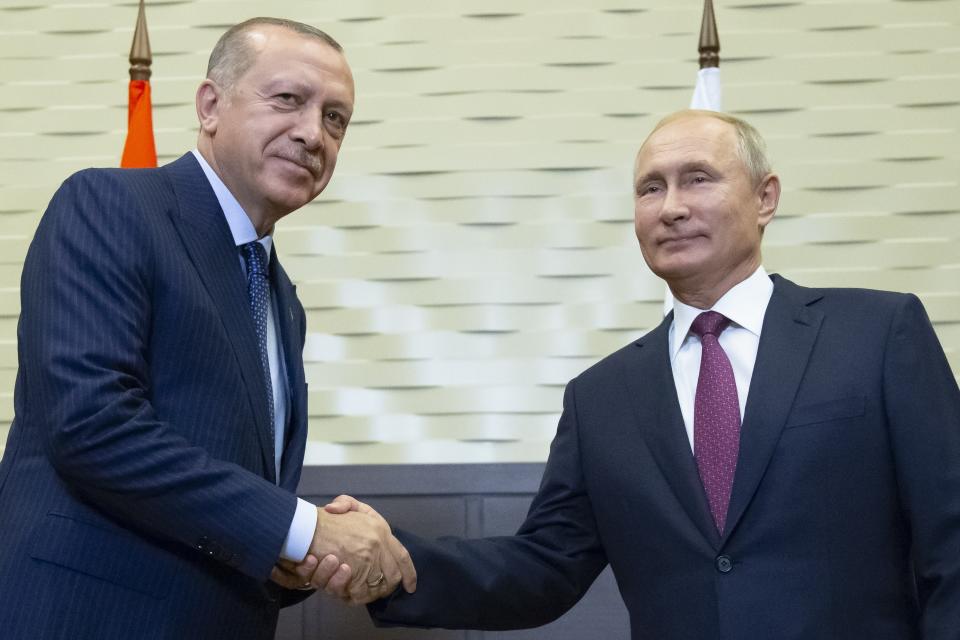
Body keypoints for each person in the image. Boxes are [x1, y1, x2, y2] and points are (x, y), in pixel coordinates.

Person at [313, 110, 960, 637]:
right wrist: (393, 560)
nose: (671, 206)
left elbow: (950, 541)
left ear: (766, 197)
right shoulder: (603, 398)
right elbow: (542, 569)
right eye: (651, 188)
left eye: (698, 179)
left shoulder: (877, 333)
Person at [0, 17, 413, 640]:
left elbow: (233, 495)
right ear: (210, 105)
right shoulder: (108, 206)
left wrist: (293, 556)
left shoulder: (283, 299)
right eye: (288, 100)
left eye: (335, 118)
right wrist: (304, 528)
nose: (312, 133)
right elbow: (93, 426)